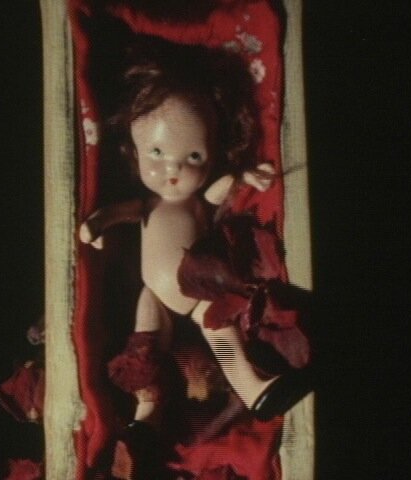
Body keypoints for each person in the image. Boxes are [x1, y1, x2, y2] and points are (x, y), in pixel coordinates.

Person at [79, 41, 310, 472]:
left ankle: (255, 391)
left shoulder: (198, 202)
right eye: (157, 153)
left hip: (200, 290)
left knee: (223, 335)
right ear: (133, 150)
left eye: (194, 156)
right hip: (155, 295)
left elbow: (222, 189)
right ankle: (145, 421)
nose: (174, 169)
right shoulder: (146, 205)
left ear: (213, 153)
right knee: (145, 346)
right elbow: (113, 214)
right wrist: (96, 223)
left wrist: (244, 177)